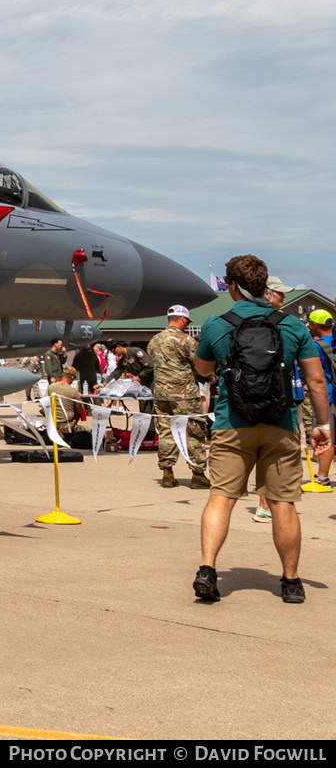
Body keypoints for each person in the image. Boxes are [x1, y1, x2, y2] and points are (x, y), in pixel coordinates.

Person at [192, 255, 331, 604]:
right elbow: (315, 379)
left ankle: (208, 569)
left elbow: (203, 369)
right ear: (264, 284)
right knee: (283, 503)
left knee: (221, 498)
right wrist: (322, 424)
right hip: (280, 425)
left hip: (232, 425)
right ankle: (291, 581)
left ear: (233, 286)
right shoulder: (293, 326)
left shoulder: (216, 324)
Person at [149, 306, 209, 489]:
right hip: (185, 394)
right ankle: (198, 474)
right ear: (182, 319)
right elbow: (200, 365)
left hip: (161, 394)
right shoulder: (187, 340)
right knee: (194, 432)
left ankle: (167, 474)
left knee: (166, 432)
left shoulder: (154, 341)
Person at [306, 310, 336, 487]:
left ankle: (322, 477)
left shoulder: (317, 347)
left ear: (315, 325)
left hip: (327, 394)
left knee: (327, 434)